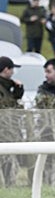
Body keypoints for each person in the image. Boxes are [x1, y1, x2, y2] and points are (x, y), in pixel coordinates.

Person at [0, 57, 24, 185]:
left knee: (9, 163)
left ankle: (10, 186)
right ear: (6, 70)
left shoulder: (6, 87)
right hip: (3, 131)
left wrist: (17, 91)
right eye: (11, 69)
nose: (13, 72)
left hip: (7, 131)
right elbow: (6, 106)